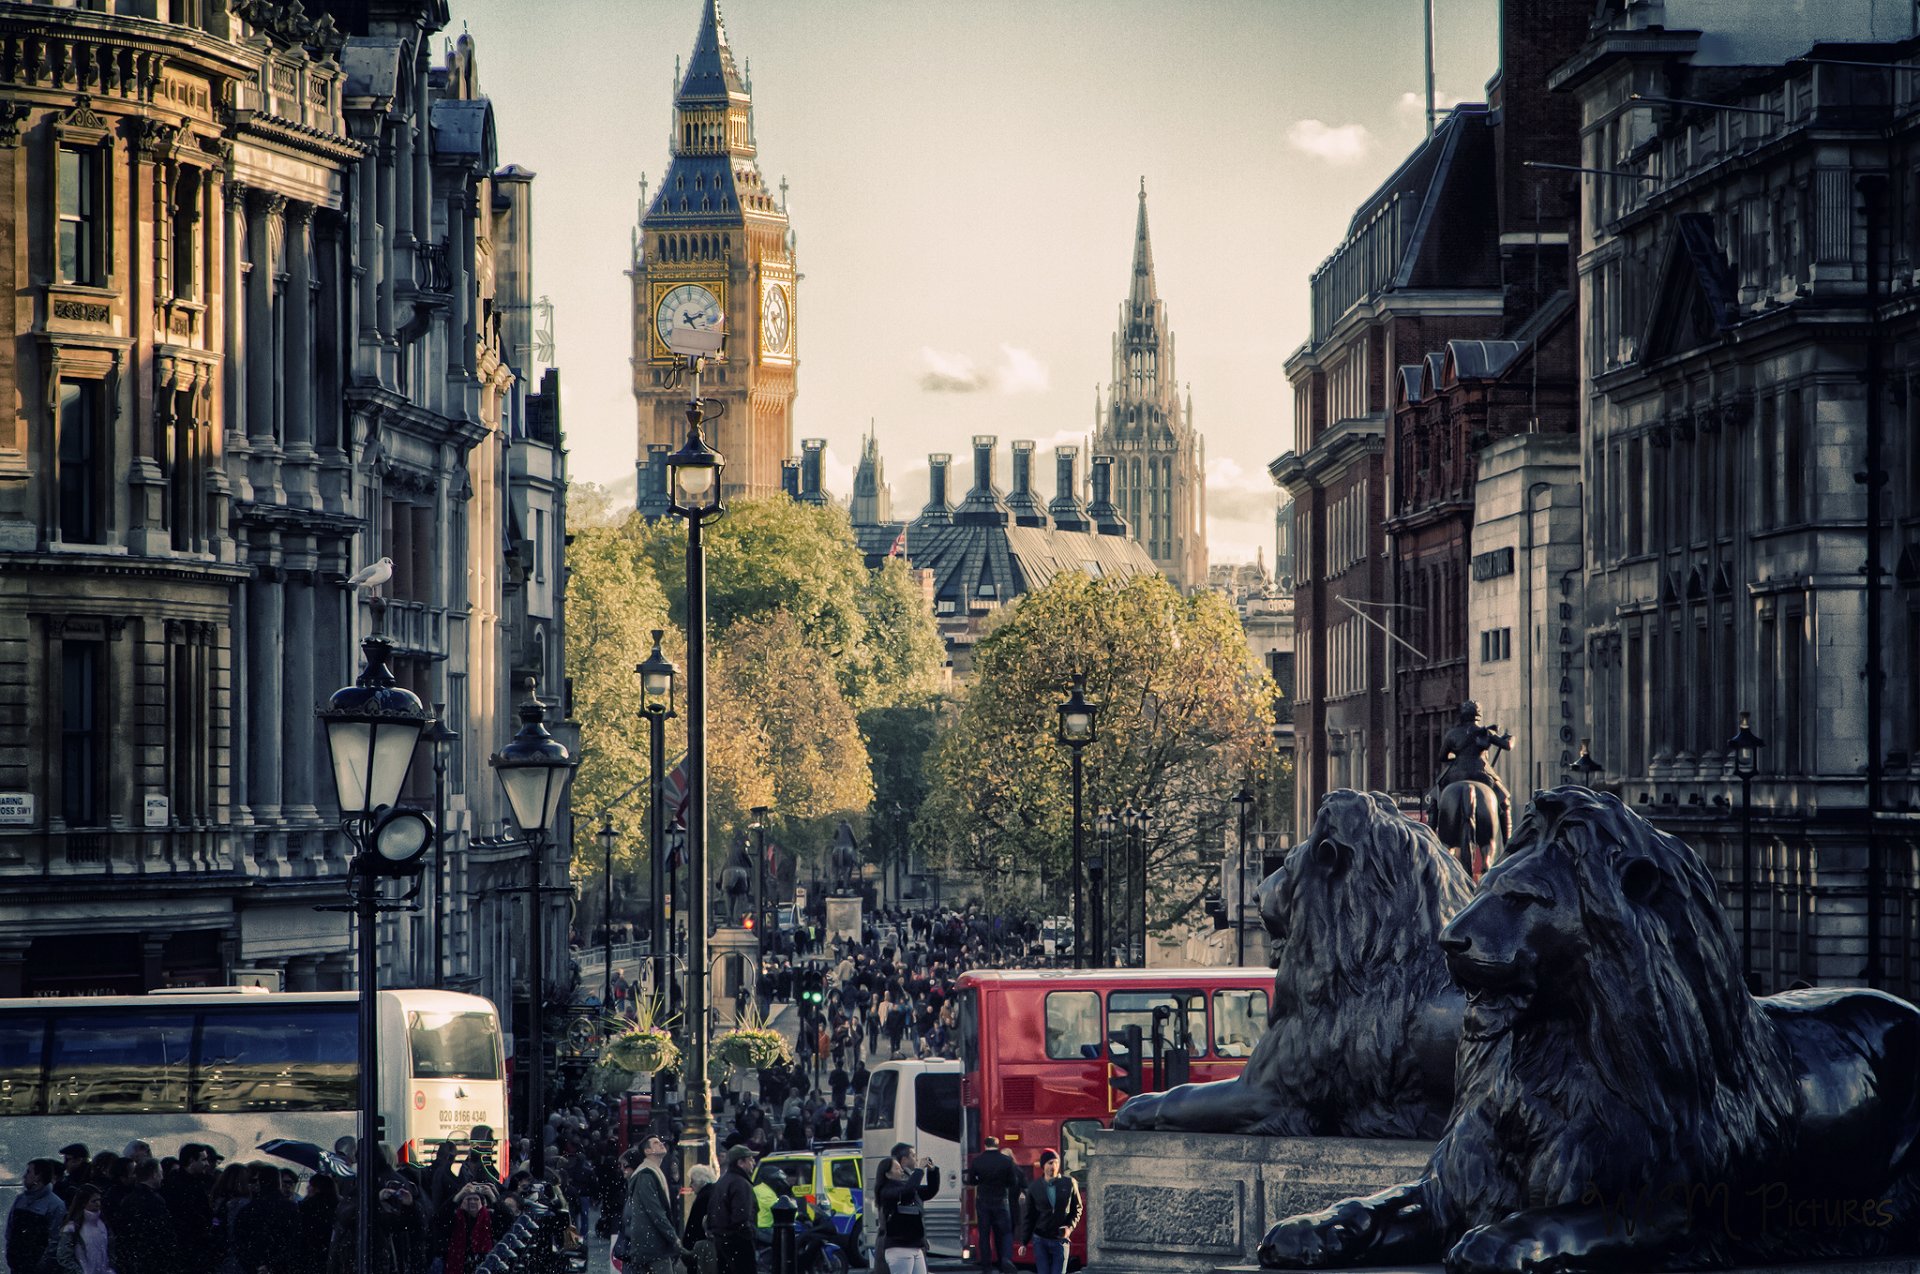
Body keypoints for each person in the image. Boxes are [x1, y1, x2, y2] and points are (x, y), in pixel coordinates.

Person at [1424, 700, 1515, 838]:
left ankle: (1430, 834)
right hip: (1481, 773)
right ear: (1478, 715)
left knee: (1435, 798)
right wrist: (1511, 738)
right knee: (1505, 802)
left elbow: (1442, 757)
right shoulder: (1486, 732)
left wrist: (1455, 759)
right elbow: (1507, 746)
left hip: (1456, 774)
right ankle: (1509, 843)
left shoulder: (1452, 734)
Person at [876, 1143, 940, 1274]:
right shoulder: (887, 1191)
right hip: (899, 1247)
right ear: (887, 1174)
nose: (900, 1171)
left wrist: (932, 1171)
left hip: (915, 1245)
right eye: (897, 1169)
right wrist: (920, 1170)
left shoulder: (905, 1185)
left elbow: (928, 1191)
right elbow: (907, 1192)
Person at [621, 1135, 681, 1274]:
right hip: (652, 1246)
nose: (661, 1144)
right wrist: (672, 1236)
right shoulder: (645, 1175)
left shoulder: (651, 1172)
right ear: (647, 1151)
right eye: (655, 1143)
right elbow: (655, 1210)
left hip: (650, 1243)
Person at [964, 1137, 1021, 1274]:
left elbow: (971, 1180)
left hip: (983, 1201)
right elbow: (1013, 1182)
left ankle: (986, 1267)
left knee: (984, 1234)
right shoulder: (1006, 1161)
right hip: (1001, 1200)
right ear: (997, 1145)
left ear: (985, 1145)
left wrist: (980, 1180)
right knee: (1005, 1232)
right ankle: (1005, 1259)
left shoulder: (977, 1161)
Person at [1016, 1151, 1081, 1274]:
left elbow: (1077, 1208)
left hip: (1060, 1239)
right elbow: (1029, 1217)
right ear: (1043, 1166)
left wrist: (1070, 1227)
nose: (1054, 1166)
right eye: (1050, 1163)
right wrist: (1024, 1242)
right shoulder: (1034, 1187)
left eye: (1056, 1163)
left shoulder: (1069, 1183)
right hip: (1040, 1239)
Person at [110, 1158, 178, 1274]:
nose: (162, 1177)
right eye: (160, 1173)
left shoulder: (128, 1199)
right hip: (153, 1259)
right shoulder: (155, 1200)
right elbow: (163, 1232)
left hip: (134, 1259)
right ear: (154, 1174)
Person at [233, 1161, 300, 1274]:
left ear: (260, 1182)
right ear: (278, 1182)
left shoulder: (249, 1209)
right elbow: (294, 1241)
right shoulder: (290, 1208)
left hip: (254, 1265)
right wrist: (274, 1265)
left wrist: (254, 1265)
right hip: (281, 1267)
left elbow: (239, 1241)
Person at [7, 1159, 68, 1274]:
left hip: (35, 1267)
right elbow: (10, 1230)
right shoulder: (21, 1199)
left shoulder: (55, 1205)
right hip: (19, 1265)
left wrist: (41, 1265)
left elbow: (55, 1239)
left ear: (38, 1176)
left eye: (29, 1172)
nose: (24, 1176)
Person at [706, 1145, 759, 1274]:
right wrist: (749, 1236)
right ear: (740, 1162)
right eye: (750, 1159)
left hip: (722, 1241)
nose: (754, 1162)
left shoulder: (722, 1182)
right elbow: (740, 1217)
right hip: (738, 1242)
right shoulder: (741, 1183)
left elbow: (712, 1212)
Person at [50, 1185, 111, 1274]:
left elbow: (110, 1250)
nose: (98, 1204)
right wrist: (79, 1272)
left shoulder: (103, 1225)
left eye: (99, 1200)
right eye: (94, 1201)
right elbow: (63, 1256)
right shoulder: (72, 1229)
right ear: (83, 1203)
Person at [444, 1184, 494, 1274]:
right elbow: (440, 1218)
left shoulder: (489, 1216)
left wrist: (493, 1197)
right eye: (469, 1199)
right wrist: (457, 1197)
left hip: (482, 1262)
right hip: (460, 1263)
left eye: (476, 1199)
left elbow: (507, 1219)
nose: (472, 1202)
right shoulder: (456, 1217)